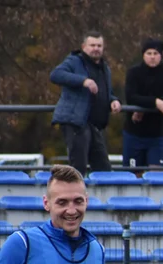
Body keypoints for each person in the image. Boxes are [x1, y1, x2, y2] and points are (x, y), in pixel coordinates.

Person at [49, 32, 121, 178]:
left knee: (103, 167)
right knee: (78, 166)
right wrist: (83, 81)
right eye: (92, 45)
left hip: (95, 125)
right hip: (76, 122)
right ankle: (73, 198)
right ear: (83, 47)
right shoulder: (75, 61)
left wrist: (113, 100)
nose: (96, 48)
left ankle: (102, 199)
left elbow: (105, 91)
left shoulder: (104, 68)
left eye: (99, 45)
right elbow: (56, 75)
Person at [122, 38, 163, 170]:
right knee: (133, 175)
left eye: (155, 53)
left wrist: (143, 109)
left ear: (161, 56)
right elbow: (131, 97)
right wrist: (156, 102)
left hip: (156, 134)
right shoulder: (134, 72)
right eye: (149, 53)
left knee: (156, 175)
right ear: (143, 55)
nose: (152, 57)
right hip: (134, 133)